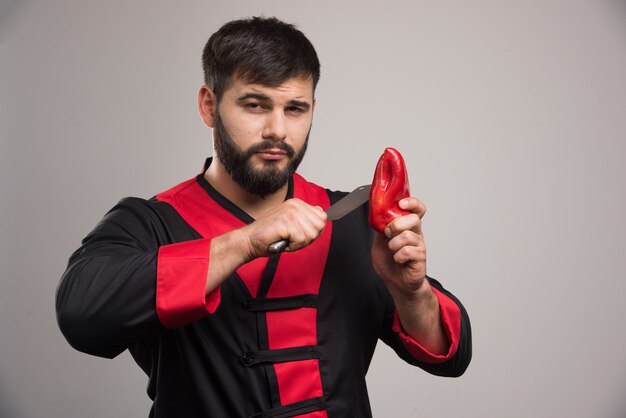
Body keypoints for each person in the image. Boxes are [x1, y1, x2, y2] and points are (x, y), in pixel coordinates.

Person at [56, 16, 471, 418]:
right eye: (255, 105)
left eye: (295, 109)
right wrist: (247, 241)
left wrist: (410, 293)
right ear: (209, 105)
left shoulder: (353, 219)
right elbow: (81, 314)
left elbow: (447, 357)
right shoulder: (149, 221)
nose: (277, 129)